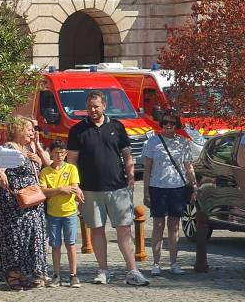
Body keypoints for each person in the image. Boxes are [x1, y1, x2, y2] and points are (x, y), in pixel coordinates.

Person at [67, 90, 149, 286]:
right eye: (89, 107)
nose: (92, 110)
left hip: (118, 187)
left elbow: (127, 154)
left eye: (96, 106)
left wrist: (130, 176)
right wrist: (75, 185)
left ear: (104, 106)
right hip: (89, 189)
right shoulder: (77, 130)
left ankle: (132, 270)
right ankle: (103, 270)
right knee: (96, 230)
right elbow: (72, 161)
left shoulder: (117, 127)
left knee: (124, 229)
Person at [0, 116, 48, 290]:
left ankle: (29, 273)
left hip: (33, 201)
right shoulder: (10, 148)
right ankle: (13, 274)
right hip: (15, 202)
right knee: (15, 237)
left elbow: (47, 166)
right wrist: (0, 173)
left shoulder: (29, 148)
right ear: (17, 130)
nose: (32, 132)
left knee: (33, 236)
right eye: (29, 129)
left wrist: (38, 158)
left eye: (33, 129)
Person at [142, 109, 197, 276]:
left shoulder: (183, 143)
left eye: (172, 123)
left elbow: (188, 167)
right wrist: (145, 192)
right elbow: (147, 169)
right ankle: (156, 263)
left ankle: (174, 262)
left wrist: (194, 186)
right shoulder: (152, 142)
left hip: (177, 187)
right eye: (165, 122)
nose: (168, 126)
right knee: (158, 225)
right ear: (161, 123)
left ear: (177, 125)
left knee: (174, 226)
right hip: (157, 187)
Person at [39, 139, 83, 287]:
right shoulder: (45, 171)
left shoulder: (71, 169)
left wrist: (66, 190)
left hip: (69, 212)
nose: (59, 156)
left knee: (71, 244)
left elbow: (74, 188)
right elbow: (43, 192)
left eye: (62, 153)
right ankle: (56, 274)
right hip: (53, 213)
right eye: (56, 153)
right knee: (55, 245)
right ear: (51, 154)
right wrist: (60, 190)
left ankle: (73, 275)